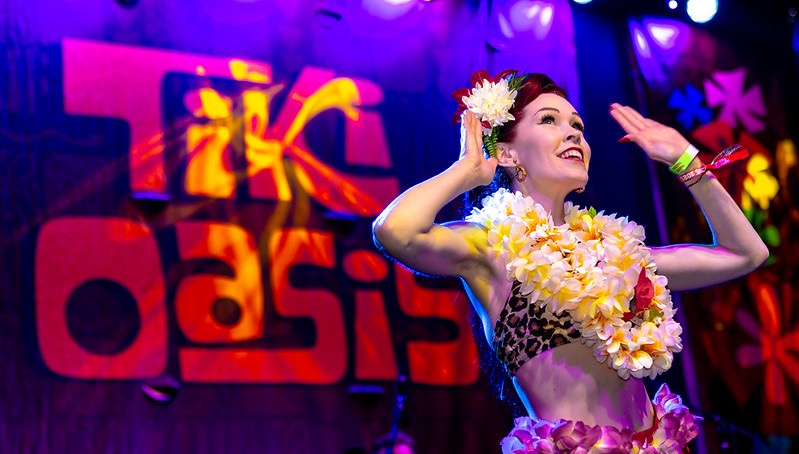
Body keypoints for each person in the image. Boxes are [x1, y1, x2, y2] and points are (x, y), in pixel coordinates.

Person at [372, 70, 768, 453]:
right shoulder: (490, 245)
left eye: (577, 124)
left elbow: (746, 253)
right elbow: (396, 231)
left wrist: (686, 162)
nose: (574, 132)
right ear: (507, 153)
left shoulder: (617, 252)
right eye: (549, 120)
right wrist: (467, 172)